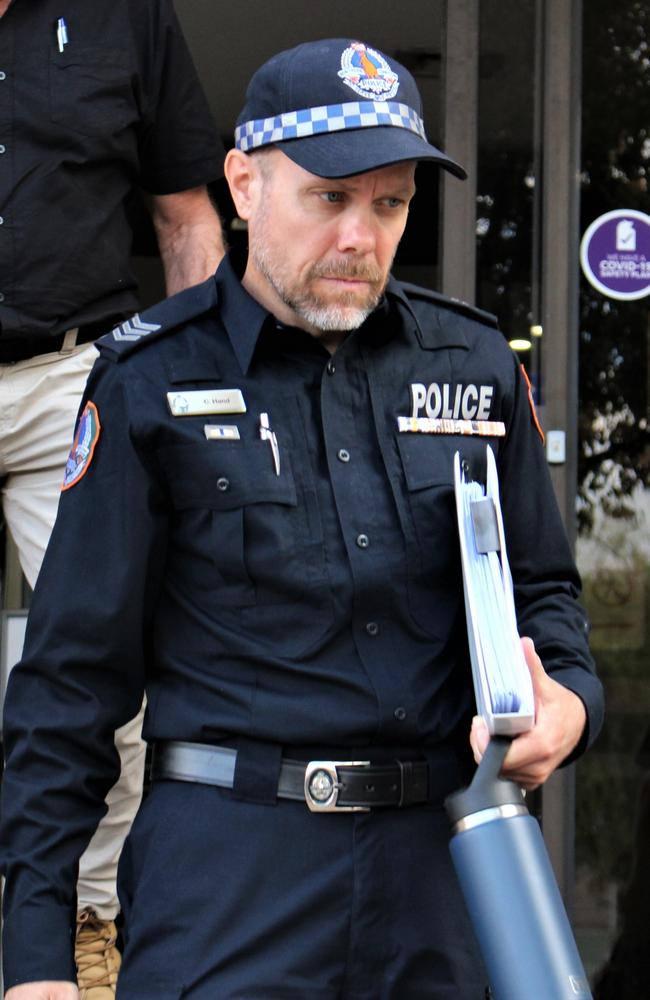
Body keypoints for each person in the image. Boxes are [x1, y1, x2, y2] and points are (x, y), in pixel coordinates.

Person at [0, 37, 604, 1000]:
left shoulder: (476, 366)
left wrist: (568, 706)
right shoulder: (152, 381)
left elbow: (545, 598)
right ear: (243, 185)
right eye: (330, 197)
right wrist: (32, 957)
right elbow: (69, 686)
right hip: (228, 880)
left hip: (444, 872)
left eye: (391, 203)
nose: (361, 238)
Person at [0, 1, 225, 996]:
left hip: (68, 377)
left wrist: (200, 399)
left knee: (110, 673)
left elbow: (184, 216)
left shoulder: (124, 12)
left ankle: (89, 930)